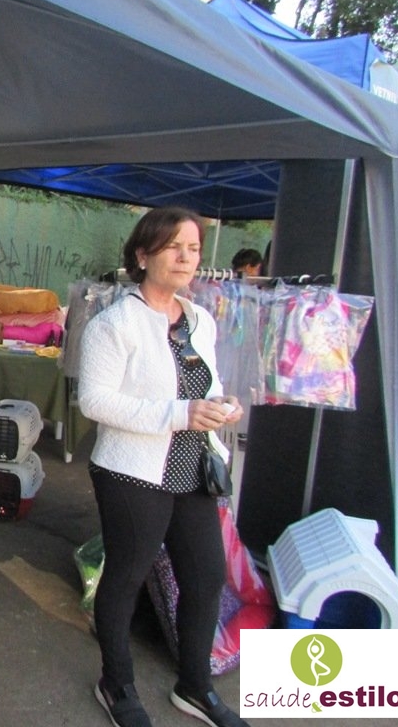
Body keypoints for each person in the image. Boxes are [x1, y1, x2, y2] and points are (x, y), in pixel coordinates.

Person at [77, 207, 247, 727]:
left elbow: (205, 386)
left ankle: (194, 686)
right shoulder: (113, 324)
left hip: (191, 468)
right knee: (126, 577)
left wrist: (222, 406)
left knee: (207, 577)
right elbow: (94, 401)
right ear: (143, 254)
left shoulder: (200, 321)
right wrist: (181, 414)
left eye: (193, 248)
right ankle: (116, 684)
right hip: (131, 473)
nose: (185, 257)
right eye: (173, 246)